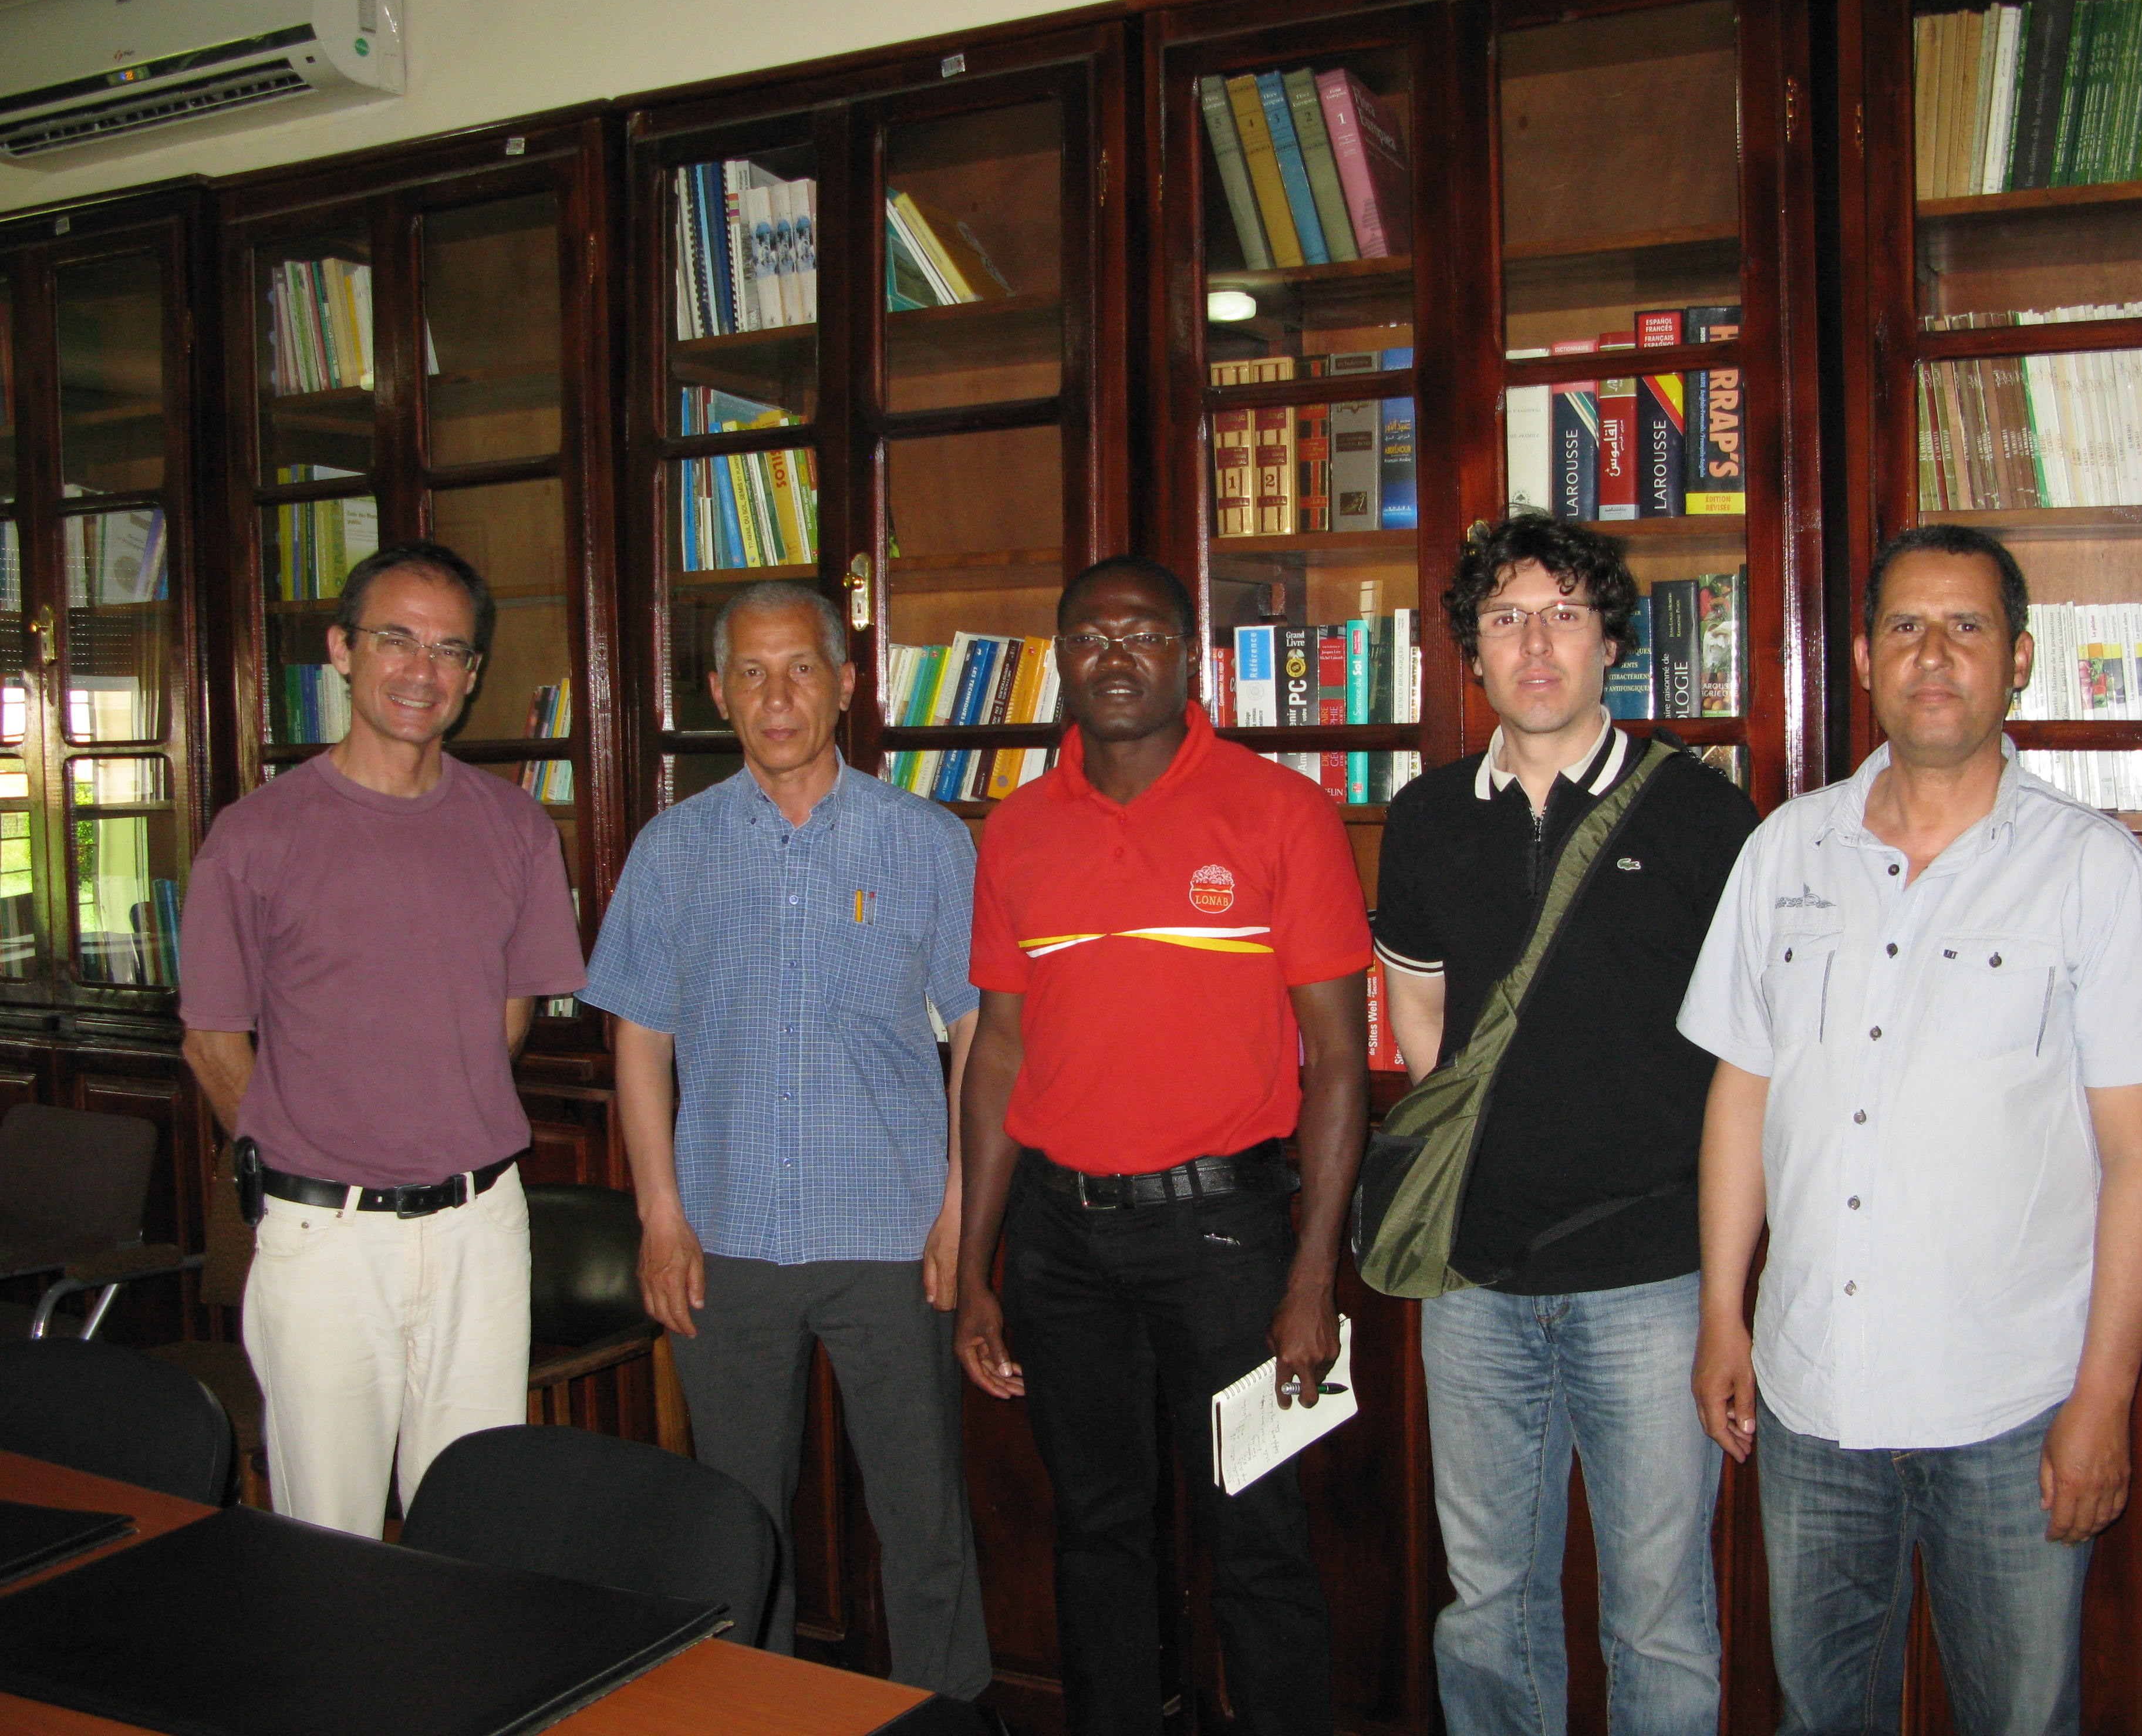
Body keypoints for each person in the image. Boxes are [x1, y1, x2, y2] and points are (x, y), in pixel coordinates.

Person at [1678, 524, 2142, 1735]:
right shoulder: (1783, 851)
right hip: (1811, 1399)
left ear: (2017, 659)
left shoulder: (2096, 875)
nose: (1933, 655)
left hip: (2011, 1412)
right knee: (1821, 1717)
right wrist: (1722, 1312)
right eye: (1905, 627)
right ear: (1864, 659)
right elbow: (1741, 1093)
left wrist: (2103, 1401)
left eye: (1967, 627)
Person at [953, 555, 1370, 1736]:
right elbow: (997, 1056)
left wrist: (1311, 1279)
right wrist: (976, 1268)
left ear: (1191, 658)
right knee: (1095, 1536)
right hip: (1059, 1245)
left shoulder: (1281, 811)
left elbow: (1339, 1060)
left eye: (1141, 634)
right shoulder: (1016, 831)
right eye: (1090, 638)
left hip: (1227, 1241)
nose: (1115, 657)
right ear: (1061, 661)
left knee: (1259, 1535)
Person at [1373, 514, 1754, 1736]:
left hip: (1651, 1280)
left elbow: (1750, 1064)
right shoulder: (1426, 818)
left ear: (1611, 645)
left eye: (1565, 616)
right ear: (1471, 650)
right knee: (1487, 1604)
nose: (1535, 647)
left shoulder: (1702, 817)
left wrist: (1725, 1295)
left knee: (1657, 1613)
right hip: (1473, 1282)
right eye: (1506, 619)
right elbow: (1420, 1019)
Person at [580, 581, 990, 1695]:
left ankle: (948, 1716)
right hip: (726, 1242)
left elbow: (976, 1031)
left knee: (924, 1522)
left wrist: (960, 1207)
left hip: (896, 1239)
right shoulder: (673, 851)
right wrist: (661, 1218)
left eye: (801, 669)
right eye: (751, 674)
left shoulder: (926, 841)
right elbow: (639, 1041)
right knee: (739, 1528)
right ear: (718, 692)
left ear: (845, 685)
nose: (777, 697)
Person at [178, 541, 586, 1537]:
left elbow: (508, 1017)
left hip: (482, 1229)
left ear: (473, 674)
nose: (421, 670)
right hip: (324, 1241)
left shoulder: (517, 828)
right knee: (331, 1539)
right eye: (396, 640)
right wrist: (304, 1156)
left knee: (474, 1522)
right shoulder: (255, 835)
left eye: (450, 650)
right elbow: (213, 1043)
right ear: (342, 650)